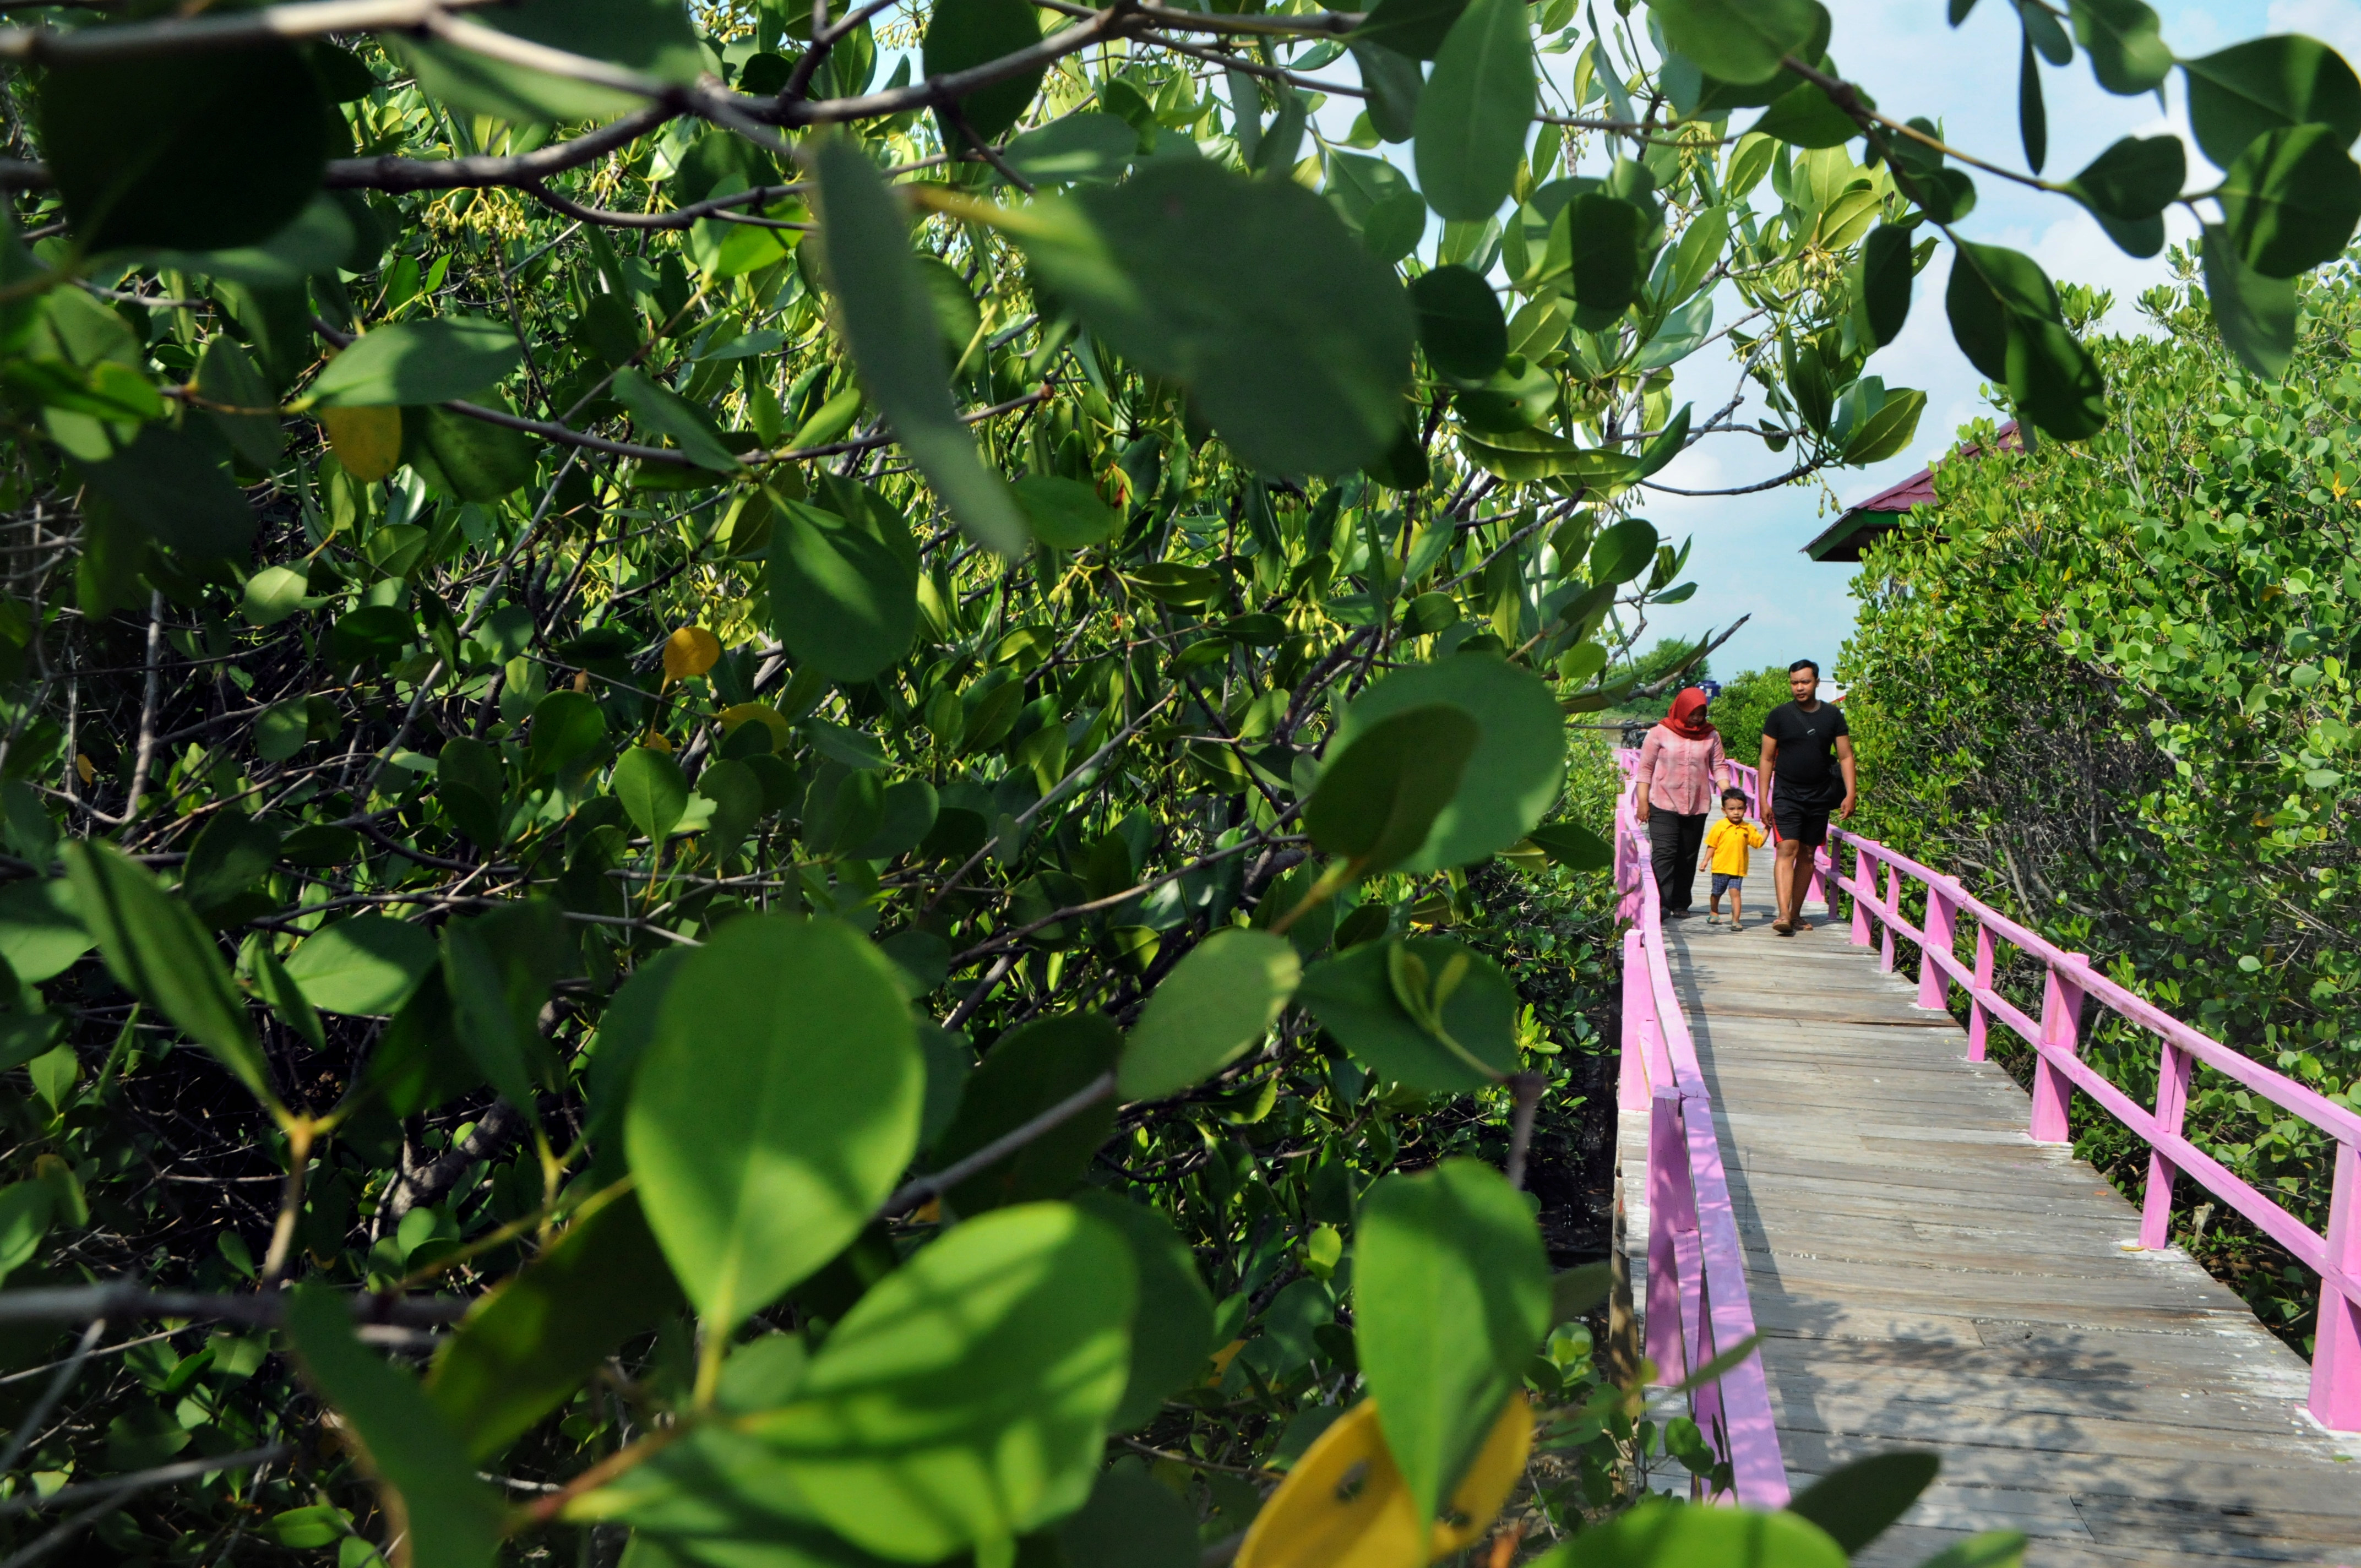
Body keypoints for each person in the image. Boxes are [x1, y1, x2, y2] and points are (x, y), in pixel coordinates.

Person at [1759, 658, 1857, 936]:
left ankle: (1795, 913)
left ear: (1816, 682)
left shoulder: (1833, 716)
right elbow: (1766, 759)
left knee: (1806, 854)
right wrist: (1764, 799)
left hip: (1819, 796)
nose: (1799, 688)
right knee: (1786, 848)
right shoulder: (1778, 716)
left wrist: (1851, 794)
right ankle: (1782, 914)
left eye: (1804, 682)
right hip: (1786, 795)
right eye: (1794, 683)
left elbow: (1846, 756)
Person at [1634, 687, 1727, 918]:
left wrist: (1728, 794)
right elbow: (1645, 769)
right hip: (1663, 802)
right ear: (1682, 709)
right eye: (1692, 713)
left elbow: (1720, 767)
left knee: (1687, 856)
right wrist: (1642, 802)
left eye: (1701, 713)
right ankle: (1661, 904)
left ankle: (1681, 903)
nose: (1696, 718)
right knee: (1664, 853)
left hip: (1697, 804)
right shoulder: (1659, 733)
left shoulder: (1711, 735)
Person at [1704, 788, 1765, 929]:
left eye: (1740, 808)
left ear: (1745, 809)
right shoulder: (1720, 826)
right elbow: (1712, 845)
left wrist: (1767, 828)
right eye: (1731, 809)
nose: (1736, 812)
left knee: (1736, 894)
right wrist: (1706, 861)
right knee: (1717, 892)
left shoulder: (1748, 828)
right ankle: (1714, 912)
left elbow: (1758, 843)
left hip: (1738, 869)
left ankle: (1736, 920)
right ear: (1724, 810)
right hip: (1720, 867)